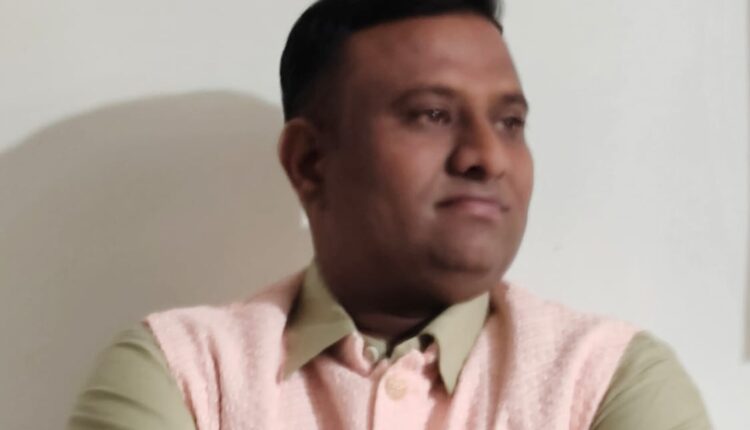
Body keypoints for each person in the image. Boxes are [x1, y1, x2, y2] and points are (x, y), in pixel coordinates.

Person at [67, 0, 712, 429]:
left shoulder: (609, 380)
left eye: (510, 123)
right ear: (310, 162)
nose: (488, 156)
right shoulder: (177, 372)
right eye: (433, 114)